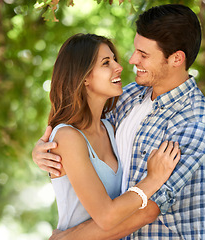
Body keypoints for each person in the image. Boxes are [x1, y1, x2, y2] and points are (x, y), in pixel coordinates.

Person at [32, 4, 205, 240]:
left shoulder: (195, 122)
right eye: (136, 50)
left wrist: (67, 238)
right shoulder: (128, 97)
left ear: (176, 59)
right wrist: (46, 150)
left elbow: (146, 211)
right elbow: (81, 128)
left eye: (144, 55)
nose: (131, 60)